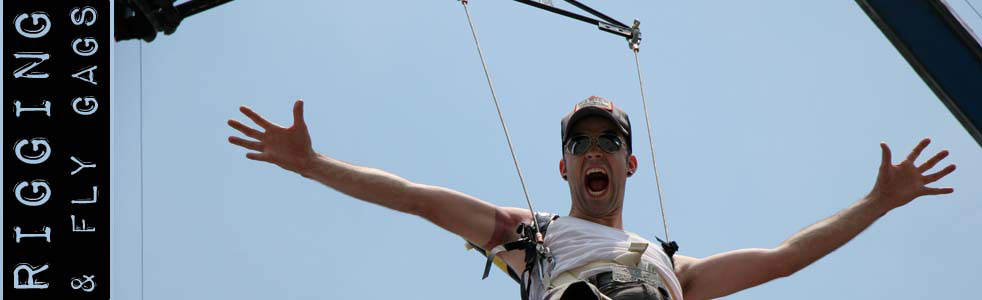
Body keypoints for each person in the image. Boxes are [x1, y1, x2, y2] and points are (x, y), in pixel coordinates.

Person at [227, 96, 956, 300]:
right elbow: (418, 199)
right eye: (581, 144)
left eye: (608, 141)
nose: (595, 151)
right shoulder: (531, 238)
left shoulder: (678, 271)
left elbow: (784, 260)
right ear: (565, 166)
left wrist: (878, 202)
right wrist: (312, 163)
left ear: (630, 163)